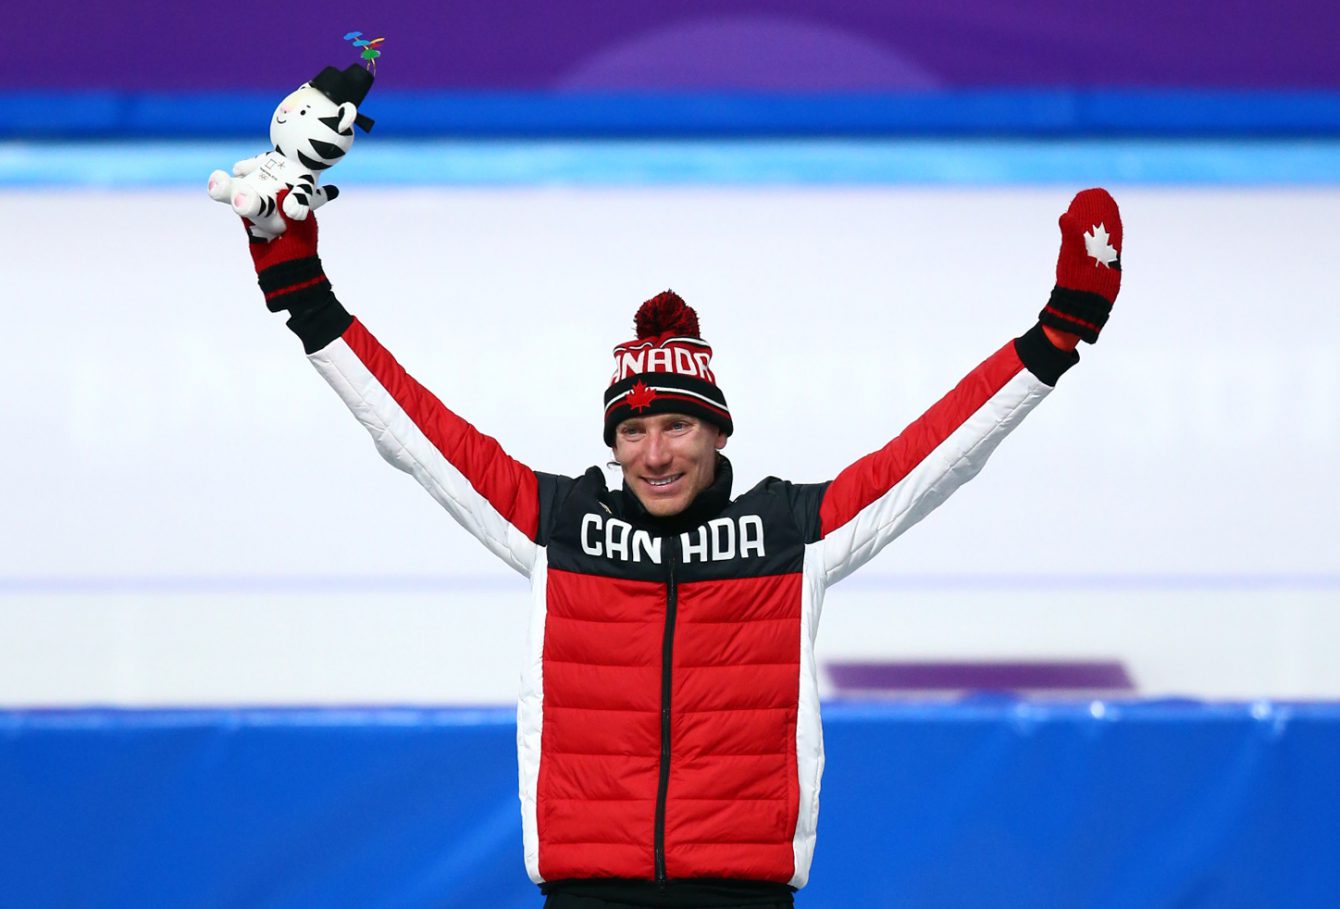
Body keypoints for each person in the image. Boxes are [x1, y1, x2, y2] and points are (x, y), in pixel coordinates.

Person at [240, 188, 1122, 908]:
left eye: (677, 427)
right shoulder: (559, 525)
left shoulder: (791, 534)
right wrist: (302, 290)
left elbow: (935, 454)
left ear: (717, 435)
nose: (654, 453)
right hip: (589, 895)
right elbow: (413, 432)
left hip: (740, 894)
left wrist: (1055, 337)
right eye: (633, 432)